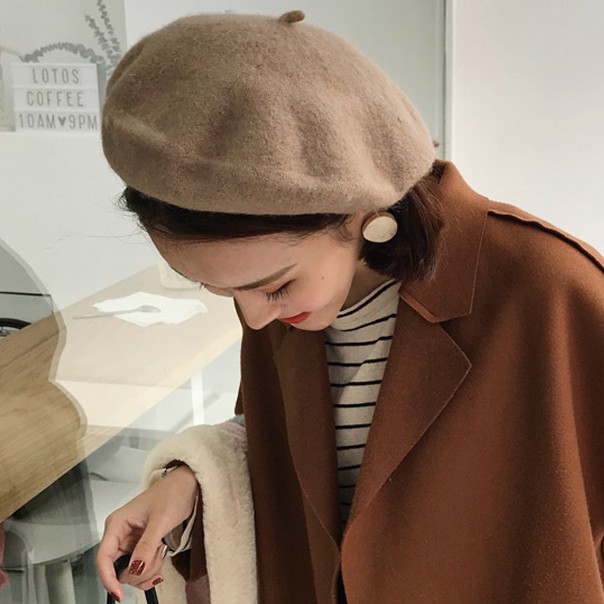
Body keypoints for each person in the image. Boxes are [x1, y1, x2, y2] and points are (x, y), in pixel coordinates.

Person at [96, 10, 604, 604]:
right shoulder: (291, 301)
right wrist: (189, 482)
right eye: (220, 290)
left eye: (274, 285)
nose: (255, 317)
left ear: (364, 210)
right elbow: (293, 444)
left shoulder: (552, 291)